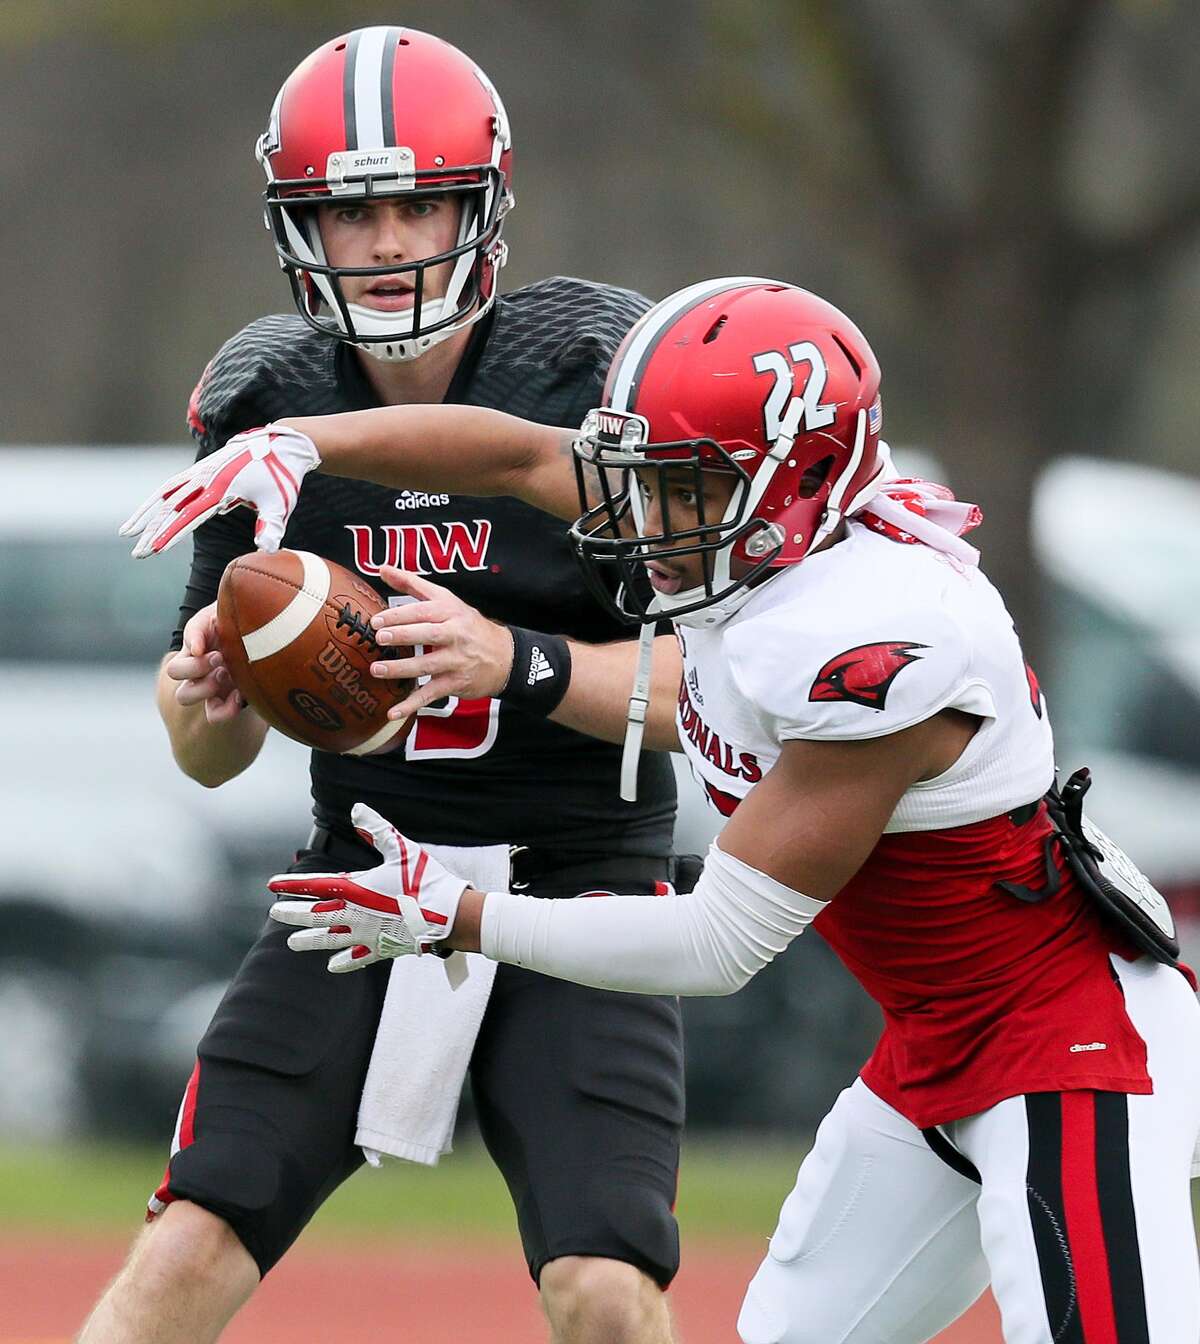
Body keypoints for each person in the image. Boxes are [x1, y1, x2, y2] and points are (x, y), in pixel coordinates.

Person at [124, 277, 1200, 1344]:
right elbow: (514, 454)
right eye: (640, 475)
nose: (639, 513)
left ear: (793, 487)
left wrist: (460, 916)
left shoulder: (874, 642)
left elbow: (719, 939)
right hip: (936, 1046)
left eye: (678, 487)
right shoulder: (757, 564)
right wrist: (304, 442)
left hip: (1073, 1047)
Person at [90, 28, 691, 1344]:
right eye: (351, 208)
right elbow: (207, 755)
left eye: (417, 200)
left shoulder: (601, 377)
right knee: (177, 1259)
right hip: (358, 880)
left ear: (482, 204)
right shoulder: (264, 392)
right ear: (298, 224)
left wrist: (519, 664)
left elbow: (711, 694)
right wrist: (202, 698)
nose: (384, 240)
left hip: (580, 886)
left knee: (604, 1289)